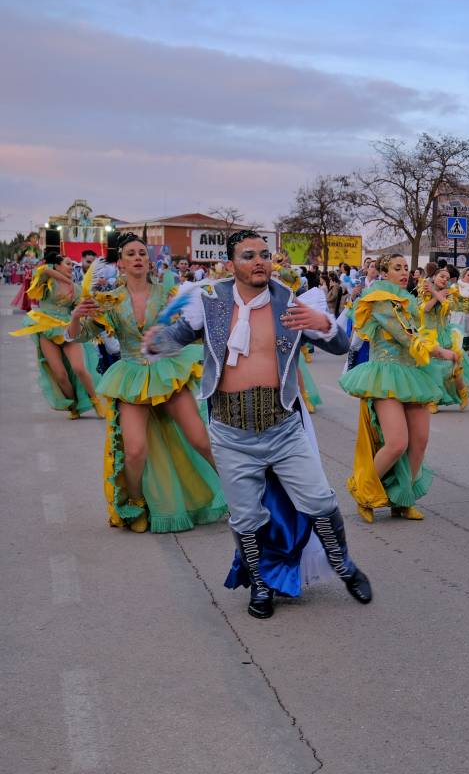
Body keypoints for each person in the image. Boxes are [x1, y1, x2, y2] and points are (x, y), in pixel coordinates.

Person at [143, 230, 372, 619]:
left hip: (283, 428)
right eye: (248, 255)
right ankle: (261, 584)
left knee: (318, 500)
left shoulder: (289, 300)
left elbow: (340, 346)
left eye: (264, 254)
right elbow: (177, 338)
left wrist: (325, 323)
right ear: (232, 264)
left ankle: (345, 567)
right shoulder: (211, 302)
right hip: (230, 432)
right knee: (246, 516)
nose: (259, 261)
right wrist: (156, 341)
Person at [66, 232, 227, 532]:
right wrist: (76, 316)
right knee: (135, 450)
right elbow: (81, 336)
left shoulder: (168, 292)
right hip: (132, 376)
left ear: (149, 261)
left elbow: (192, 324)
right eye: (131, 254)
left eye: (142, 253)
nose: (138, 257)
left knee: (201, 440)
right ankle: (136, 502)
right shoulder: (109, 301)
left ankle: (239, 495)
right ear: (120, 263)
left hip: (167, 371)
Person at [340, 254, 456, 523]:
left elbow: (421, 331)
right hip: (386, 375)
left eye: (406, 268)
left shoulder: (409, 301)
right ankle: (363, 491)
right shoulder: (379, 298)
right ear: (384, 272)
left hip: (413, 374)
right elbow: (407, 337)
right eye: (397, 268)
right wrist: (441, 352)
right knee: (396, 443)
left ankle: (402, 499)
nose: (404, 272)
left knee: (419, 441)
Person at [9, 252, 103, 419]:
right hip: (46, 328)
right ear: (57, 266)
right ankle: (72, 405)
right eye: (67, 263)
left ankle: (96, 402)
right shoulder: (47, 280)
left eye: (71, 265)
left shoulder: (75, 289)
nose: (71, 267)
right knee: (59, 374)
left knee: (79, 368)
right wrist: (66, 280)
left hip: (67, 328)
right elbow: (44, 269)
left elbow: (83, 307)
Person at [421, 267, 469, 410]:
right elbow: (425, 309)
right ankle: (432, 399)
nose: (444, 280)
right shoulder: (423, 290)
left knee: (451, 368)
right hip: (427, 334)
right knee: (429, 367)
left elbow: (448, 307)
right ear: (434, 277)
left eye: (447, 278)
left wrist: (436, 292)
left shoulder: (450, 293)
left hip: (442, 333)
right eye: (441, 276)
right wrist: (435, 294)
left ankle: (462, 392)